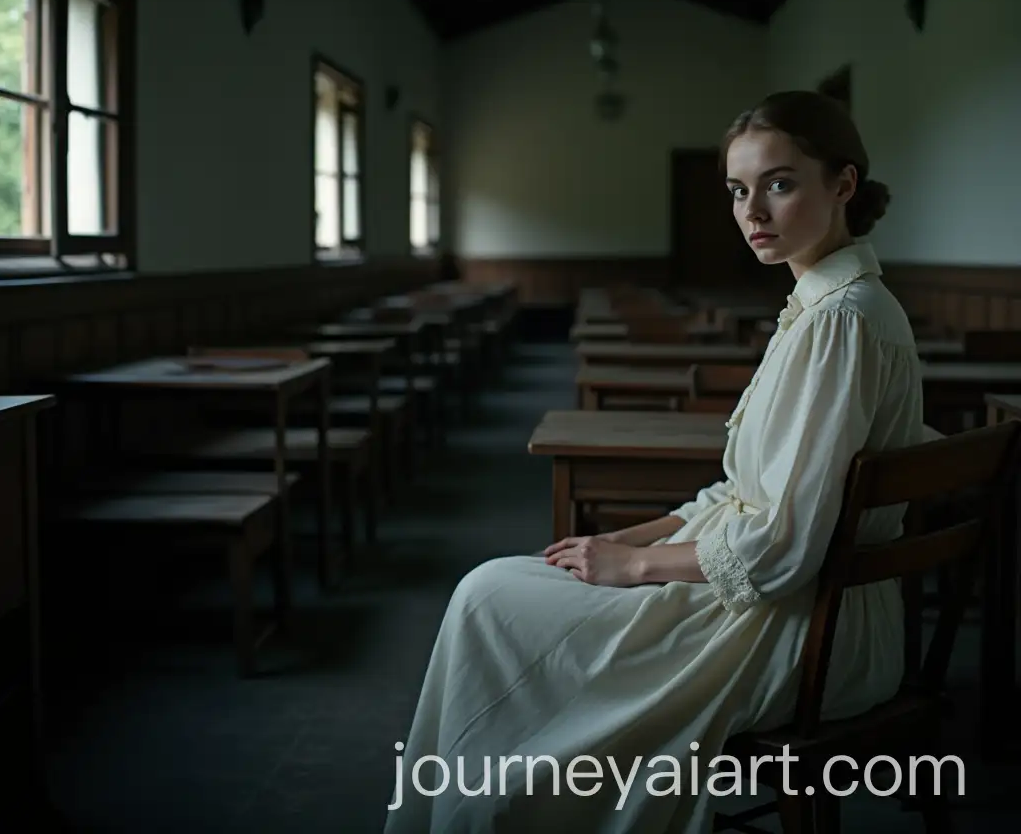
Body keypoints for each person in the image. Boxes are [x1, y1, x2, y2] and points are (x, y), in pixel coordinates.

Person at [383, 91, 925, 833]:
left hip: (809, 631)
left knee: (488, 596)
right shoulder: (827, 307)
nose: (753, 211)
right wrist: (632, 540)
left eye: (780, 181)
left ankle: (494, 813)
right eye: (739, 190)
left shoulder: (841, 321)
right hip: (805, 603)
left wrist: (634, 567)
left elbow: (783, 547)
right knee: (502, 587)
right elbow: (745, 494)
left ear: (843, 184)